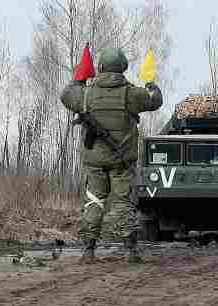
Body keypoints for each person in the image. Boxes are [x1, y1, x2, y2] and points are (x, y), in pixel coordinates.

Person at [60, 48, 163, 264]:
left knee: (94, 201)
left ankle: (88, 251)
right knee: (124, 203)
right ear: (123, 68)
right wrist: (151, 83)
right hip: (122, 161)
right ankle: (129, 251)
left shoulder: (86, 93)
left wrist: (79, 80)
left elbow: (66, 95)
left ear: (101, 67)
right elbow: (155, 100)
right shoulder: (132, 94)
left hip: (94, 161)